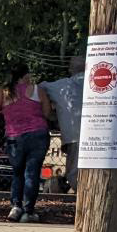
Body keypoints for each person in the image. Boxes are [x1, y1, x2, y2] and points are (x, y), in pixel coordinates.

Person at [0, 63, 49, 221]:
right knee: (32, 173)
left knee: (17, 173)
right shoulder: (37, 90)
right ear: (25, 75)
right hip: (38, 135)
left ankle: (16, 206)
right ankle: (28, 211)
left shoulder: (4, 92)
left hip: (15, 137)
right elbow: (47, 112)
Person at [41, 59, 85, 193]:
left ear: (70, 70)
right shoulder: (97, 84)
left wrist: (50, 107)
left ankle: (80, 197)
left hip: (74, 135)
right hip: (101, 133)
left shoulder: (62, 86)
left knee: (74, 172)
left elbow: (40, 87)